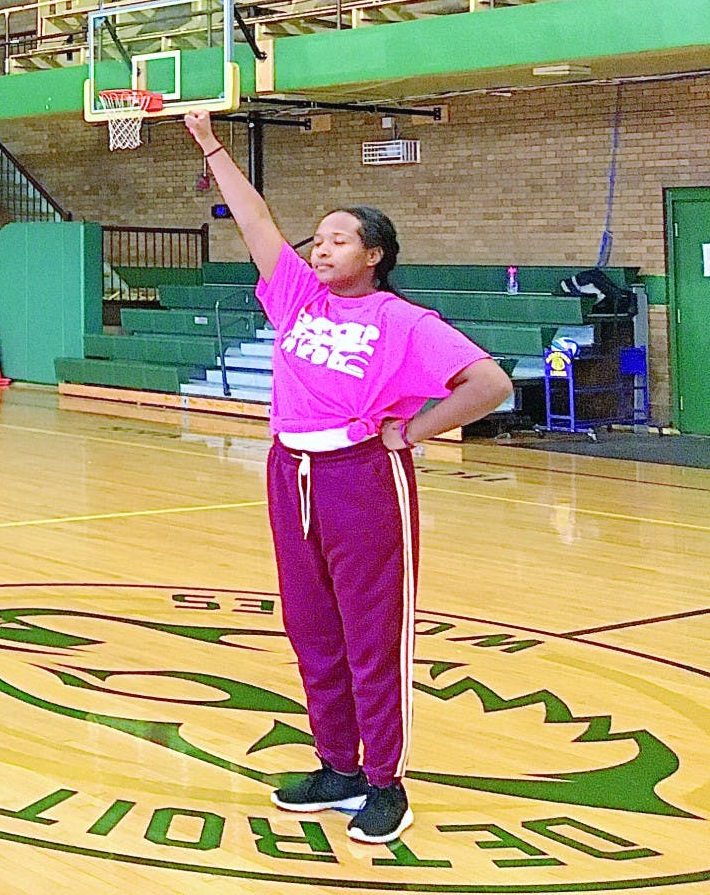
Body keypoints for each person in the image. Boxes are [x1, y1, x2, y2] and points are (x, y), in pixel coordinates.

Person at [183, 109, 512, 844]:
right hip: (288, 468)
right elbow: (256, 219)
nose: (322, 248)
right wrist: (209, 143)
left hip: (361, 474)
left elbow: (489, 385)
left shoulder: (406, 321)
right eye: (320, 238)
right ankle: (336, 765)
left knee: (372, 630)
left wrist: (414, 431)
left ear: (374, 255)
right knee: (310, 627)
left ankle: (385, 780)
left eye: (339, 239)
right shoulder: (298, 297)